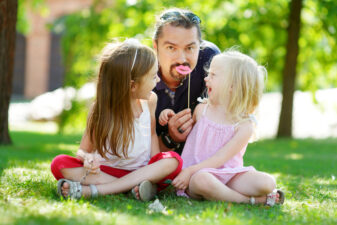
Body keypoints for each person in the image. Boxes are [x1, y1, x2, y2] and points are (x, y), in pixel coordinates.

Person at [50, 39, 182, 201]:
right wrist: (87, 159)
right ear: (132, 86)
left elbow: (152, 135)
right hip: (106, 172)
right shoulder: (100, 110)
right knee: (59, 163)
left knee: (174, 161)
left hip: (141, 171)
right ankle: (131, 189)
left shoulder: (151, 101)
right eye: (153, 77)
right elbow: (83, 151)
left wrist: (155, 164)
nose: (158, 81)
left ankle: (96, 190)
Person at [169, 50, 285, 206]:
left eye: (213, 75)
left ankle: (223, 192)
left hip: (229, 176)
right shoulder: (201, 110)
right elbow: (185, 137)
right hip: (196, 175)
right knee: (201, 179)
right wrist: (169, 117)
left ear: (232, 85)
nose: (206, 78)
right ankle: (249, 200)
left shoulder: (244, 126)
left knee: (268, 183)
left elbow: (220, 159)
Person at [152, 8, 220, 154]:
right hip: (156, 163)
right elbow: (137, 154)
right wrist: (171, 138)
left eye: (190, 48)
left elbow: (227, 119)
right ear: (156, 46)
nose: (182, 59)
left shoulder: (209, 59)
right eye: (171, 48)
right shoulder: (140, 74)